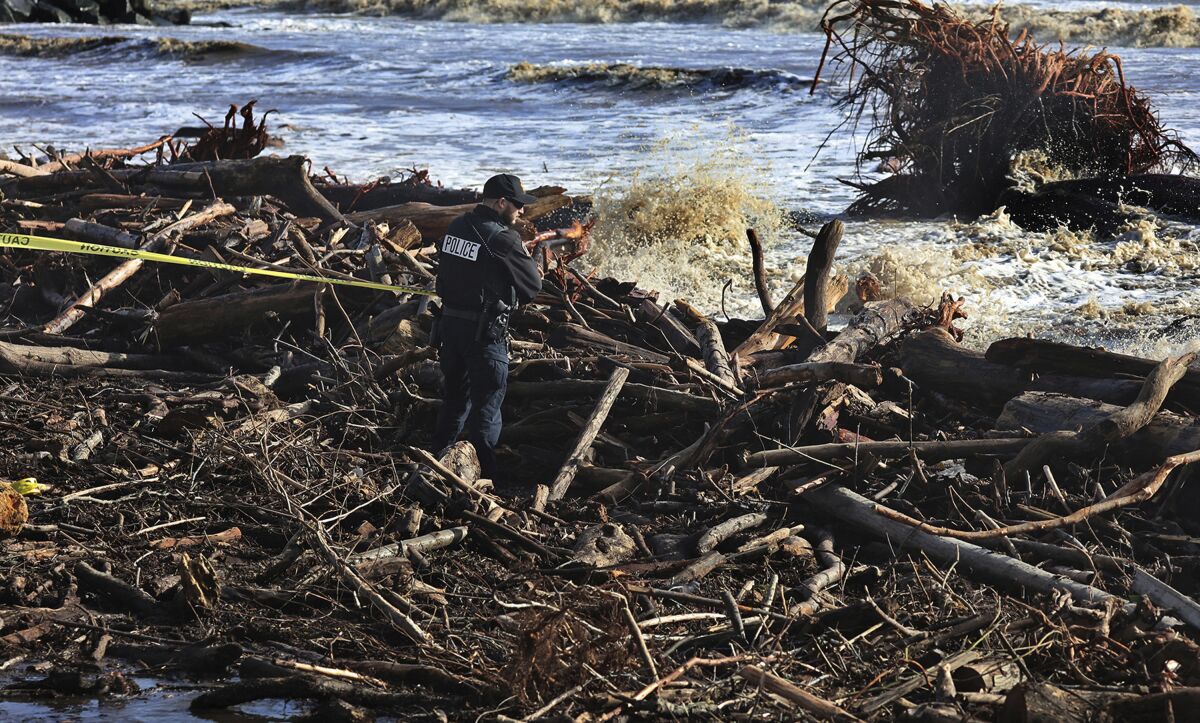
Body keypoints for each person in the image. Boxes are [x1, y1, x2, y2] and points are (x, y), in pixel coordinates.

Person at [430, 173, 543, 480]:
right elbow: (533, 286)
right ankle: (484, 480)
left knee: (454, 403)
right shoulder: (503, 238)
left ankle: (437, 466)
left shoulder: (456, 226)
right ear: (501, 202)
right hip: (483, 337)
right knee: (487, 410)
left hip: (450, 330)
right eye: (517, 205)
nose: (521, 211)